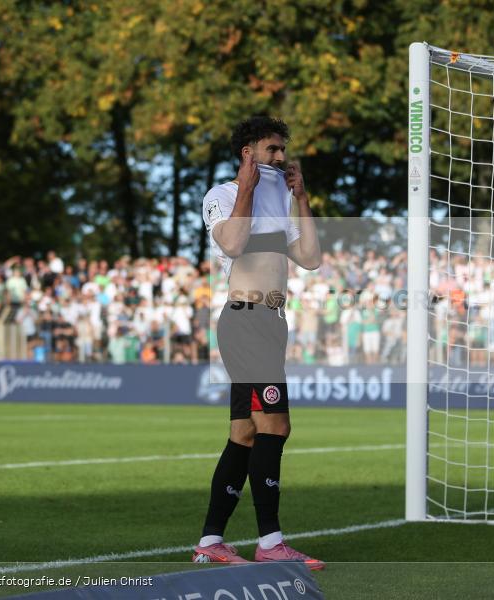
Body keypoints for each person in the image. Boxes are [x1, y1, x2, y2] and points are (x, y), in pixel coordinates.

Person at [195, 116, 323, 568]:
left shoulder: (282, 196)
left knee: (245, 433)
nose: (281, 157)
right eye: (272, 149)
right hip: (245, 320)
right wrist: (247, 189)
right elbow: (232, 245)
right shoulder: (221, 195)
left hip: (271, 323)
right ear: (248, 152)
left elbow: (310, 258)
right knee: (275, 425)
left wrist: (301, 199)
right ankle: (271, 544)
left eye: (282, 149)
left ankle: (211, 540)